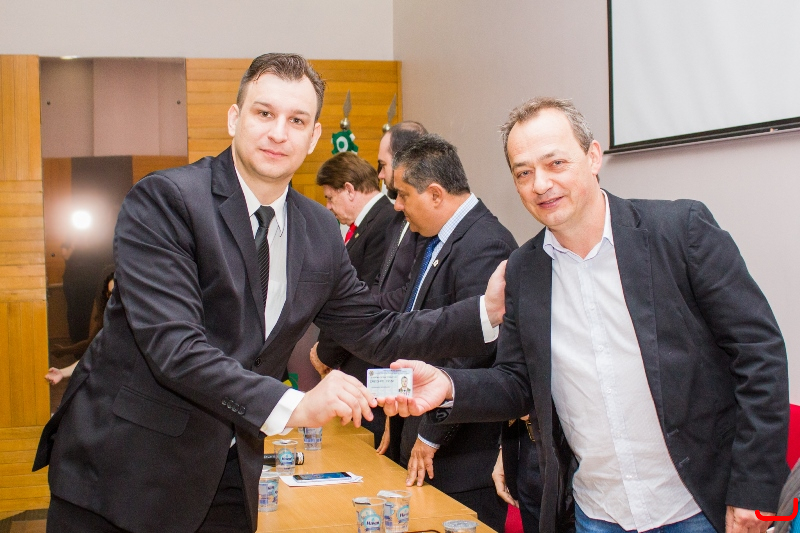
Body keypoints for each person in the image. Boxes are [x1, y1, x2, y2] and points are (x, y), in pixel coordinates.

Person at [33, 53, 504, 533]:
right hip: (126, 471)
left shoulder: (318, 228)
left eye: (296, 120)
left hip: (230, 472)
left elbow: (376, 329)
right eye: (264, 113)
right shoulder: (167, 201)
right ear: (234, 118)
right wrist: (296, 406)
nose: (279, 133)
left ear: (313, 137)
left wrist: (485, 312)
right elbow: (175, 347)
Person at [382, 97, 790, 533]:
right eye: (523, 173)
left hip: (697, 507)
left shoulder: (679, 231)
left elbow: (758, 353)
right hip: (596, 514)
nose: (541, 184)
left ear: (593, 156)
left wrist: (753, 488)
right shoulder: (524, 270)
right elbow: (518, 383)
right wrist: (449, 385)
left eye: (555, 163)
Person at [391, 133, 517, 532]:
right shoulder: (435, 239)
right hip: (422, 428)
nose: (397, 205)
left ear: (434, 194)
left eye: (402, 195)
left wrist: (430, 436)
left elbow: (474, 350)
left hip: (460, 455)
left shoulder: (484, 243)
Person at [312, 151, 396, 446]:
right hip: (356, 359)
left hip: (369, 363)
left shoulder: (383, 224)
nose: (328, 206)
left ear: (349, 189)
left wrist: (325, 353)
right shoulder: (368, 225)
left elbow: (360, 305)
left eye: (329, 197)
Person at [46, 267, 115, 385]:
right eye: (110, 294)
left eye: (117, 293)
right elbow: (93, 353)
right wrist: (62, 372)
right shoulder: (109, 321)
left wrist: (64, 351)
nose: (114, 299)